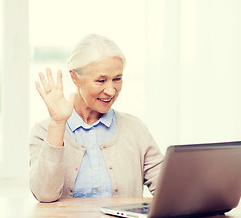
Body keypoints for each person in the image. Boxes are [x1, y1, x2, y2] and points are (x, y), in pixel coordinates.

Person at [29, 34, 163, 202]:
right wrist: (57, 123)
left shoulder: (135, 129)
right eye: (101, 80)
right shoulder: (42, 132)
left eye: (117, 79)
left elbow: (170, 190)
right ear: (75, 78)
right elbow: (45, 195)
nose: (111, 90)